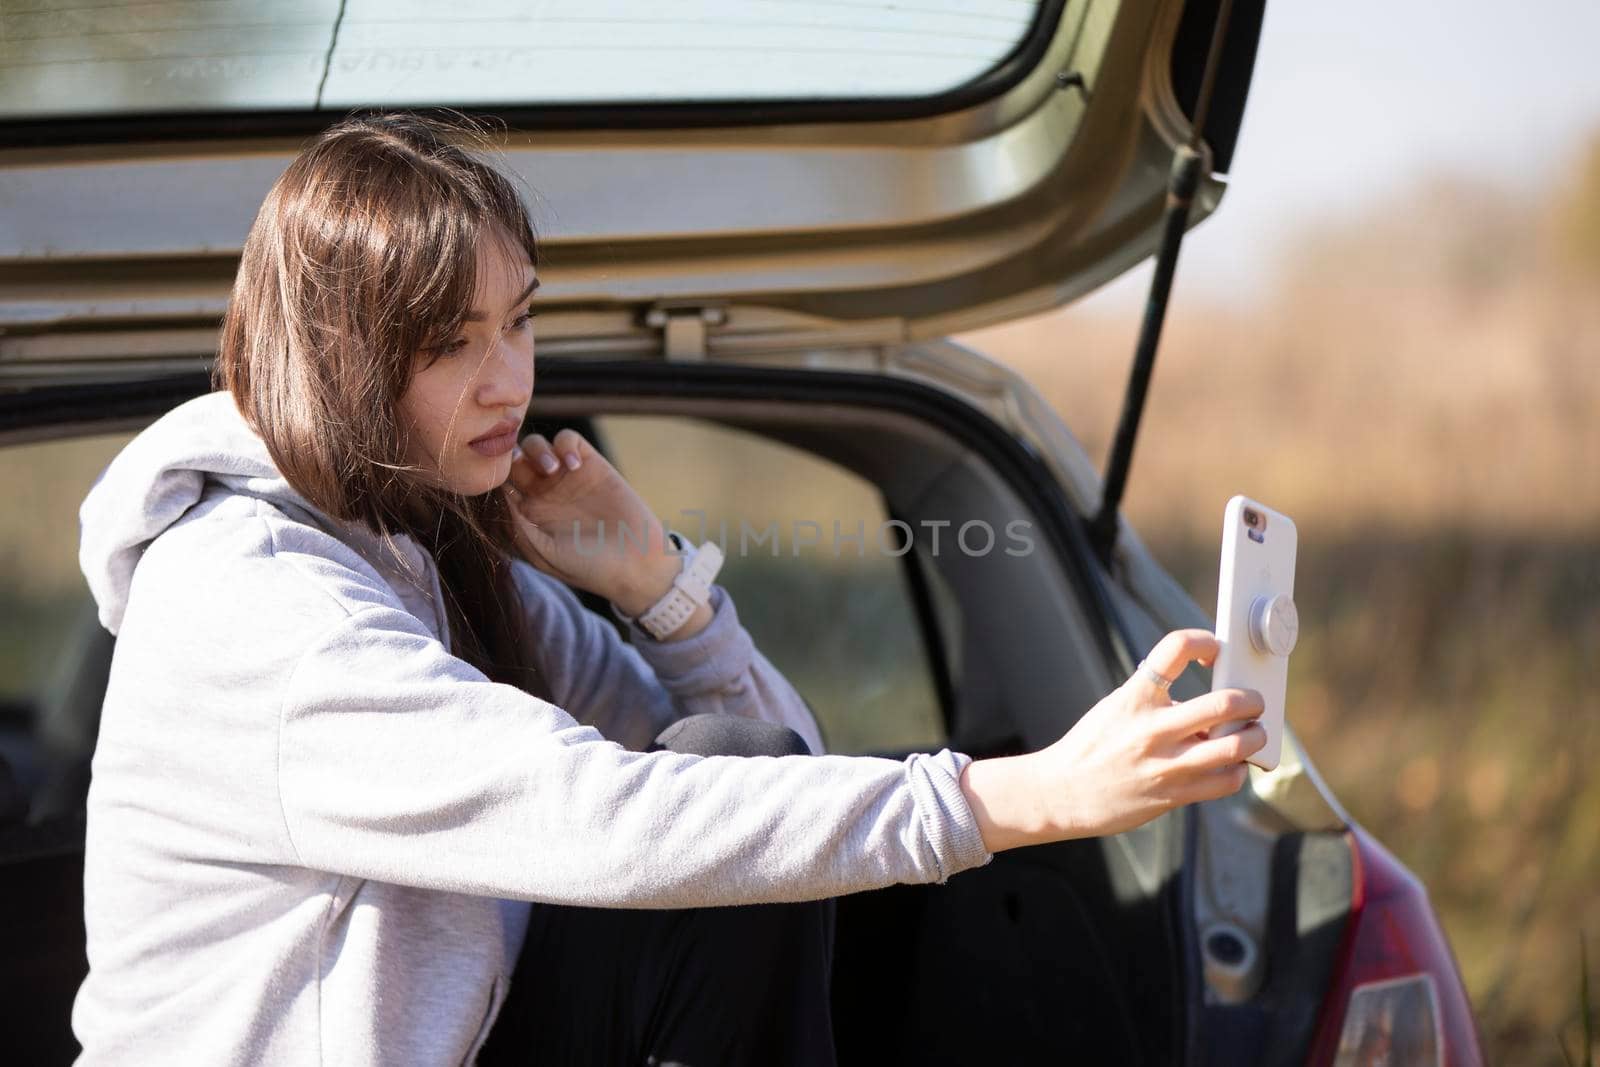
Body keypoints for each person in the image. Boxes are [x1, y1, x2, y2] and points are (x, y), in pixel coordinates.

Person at [70, 111, 1267, 1066]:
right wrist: (1029, 794)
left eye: (519, 320)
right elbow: (608, 815)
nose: (509, 382)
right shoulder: (262, 608)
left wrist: (658, 587)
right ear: (337, 357)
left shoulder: (423, 546)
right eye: (449, 344)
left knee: (738, 769)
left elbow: (767, 781)